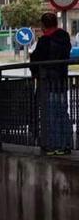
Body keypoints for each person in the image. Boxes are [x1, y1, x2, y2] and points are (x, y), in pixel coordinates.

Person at [29, 12, 72, 155]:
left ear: (43, 25)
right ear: (56, 23)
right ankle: (66, 144)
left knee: (50, 114)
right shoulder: (64, 37)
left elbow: (36, 60)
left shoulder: (44, 41)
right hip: (61, 81)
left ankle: (53, 145)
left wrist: (35, 71)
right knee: (62, 112)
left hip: (47, 82)